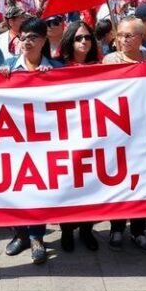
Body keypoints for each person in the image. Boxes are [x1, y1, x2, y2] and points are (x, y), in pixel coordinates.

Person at [1, 17, 63, 265]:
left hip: (44, 141)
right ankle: (21, 233)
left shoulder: (56, 68)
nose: (27, 42)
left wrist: (54, 78)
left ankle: (37, 237)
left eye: (33, 37)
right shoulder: (6, 67)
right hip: (13, 140)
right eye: (23, 37)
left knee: (38, 188)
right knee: (15, 187)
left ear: (44, 41)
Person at [102, 18, 146, 252]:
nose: (123, 39)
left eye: (130, 35)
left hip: (145, 132)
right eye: (120, 35)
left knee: (142, 182)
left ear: (141, 38)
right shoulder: (110, 60)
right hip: (118, 131)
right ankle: (116, 228)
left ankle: (139, 231)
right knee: (121, 181)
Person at [57, 20, 100, 252]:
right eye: (78, 38)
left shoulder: (102, 67)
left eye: (87, 37)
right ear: (69, 41)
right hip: (67, 136)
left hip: (95, 136)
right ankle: (66, 230)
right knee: (69, 185)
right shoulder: (58, 68)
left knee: (90, 185)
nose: (84, 41)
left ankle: (86, 229)